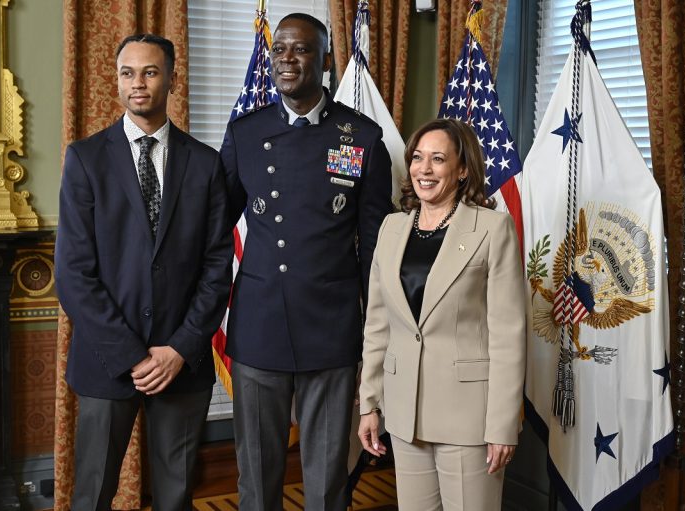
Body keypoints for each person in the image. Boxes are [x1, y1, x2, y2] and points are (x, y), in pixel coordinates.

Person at [220, 12, 393, 511]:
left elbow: (374, 252)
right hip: (259, 326)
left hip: (330, 328)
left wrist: (371, 339)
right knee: (256, 476)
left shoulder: (361, 138)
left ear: (326, 60)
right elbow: (216, 231)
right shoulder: (246, 134)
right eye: (280, 51)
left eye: (300, 50)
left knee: (325, 481)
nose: (287, 60)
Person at [55, 34, 233, 511]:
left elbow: (217, 268)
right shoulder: (86, 159)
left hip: (181, 360)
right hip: (107, 359)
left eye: (150, 72)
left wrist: (179, 349)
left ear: (172, 78)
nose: (139, 83)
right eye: (128, 73)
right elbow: (73, 274)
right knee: (92, 494)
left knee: (175, 495)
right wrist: (133, 356)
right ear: (116, 80)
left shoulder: (205, 163)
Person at [357, 118, 526, 511]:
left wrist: (502, 424)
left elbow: (508, 334)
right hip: (404, 414)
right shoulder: (391, 227)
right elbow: (378, 325)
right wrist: (369, 403)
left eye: (437, 159)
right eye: (417, 158)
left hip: (468, 418)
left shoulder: (492, 228)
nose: (424, 169)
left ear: (462, 168)